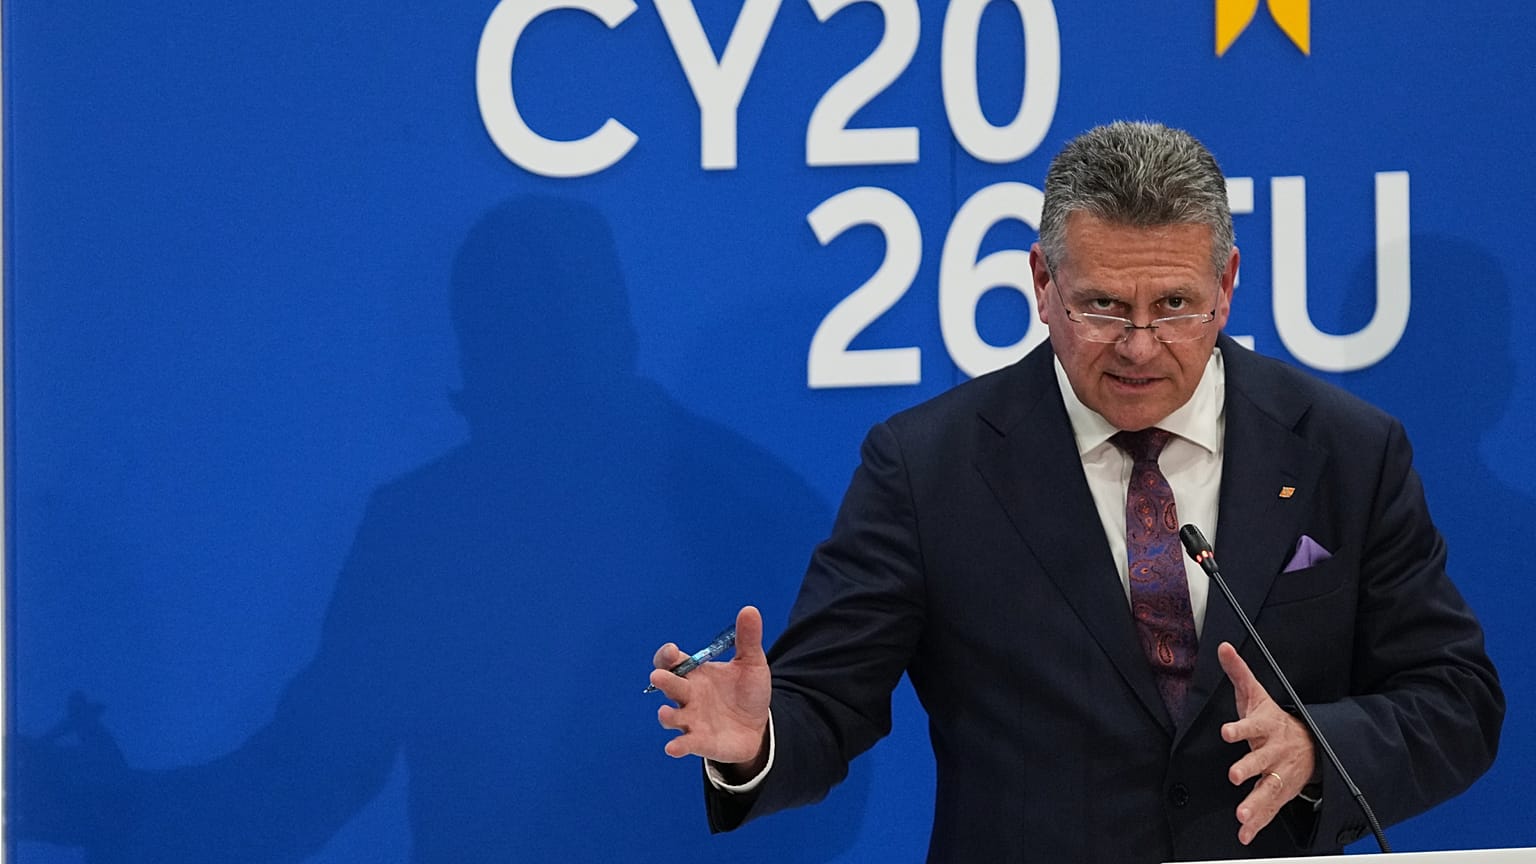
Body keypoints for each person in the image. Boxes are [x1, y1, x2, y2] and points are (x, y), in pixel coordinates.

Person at [650, 121, 1504, 862]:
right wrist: (757, 740)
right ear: (1041, 284)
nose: (1139, 346)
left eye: (1174, 305)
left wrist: (1318, 748)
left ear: (1229, 285)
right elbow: (828, 701)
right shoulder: (928, 467)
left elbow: (1455, 698)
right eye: (1102, 306)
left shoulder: (1345, 451)